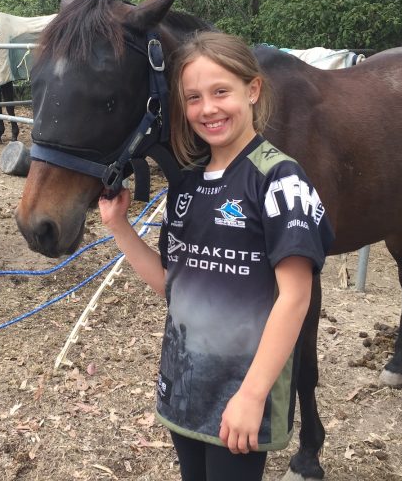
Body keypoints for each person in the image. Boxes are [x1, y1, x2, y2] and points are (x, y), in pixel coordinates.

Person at [99, 31, 334, 481]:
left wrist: (252, 394)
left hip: (242, 393)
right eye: (193, 97)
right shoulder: (186, 184)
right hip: (185, 385)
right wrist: (120, 228)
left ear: (253, 90)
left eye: (220, 91)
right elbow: (173, 283)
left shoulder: (279, 179)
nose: (207, 108)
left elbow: (295, 297)